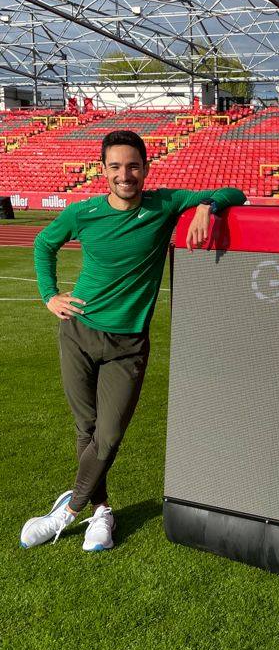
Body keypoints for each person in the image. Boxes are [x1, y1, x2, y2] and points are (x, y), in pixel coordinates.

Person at [20, 129, 246, 552]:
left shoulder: (164, 204)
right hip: (79, 333)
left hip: (128, 345)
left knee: (108, 435)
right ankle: (101, 512)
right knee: (85, 429)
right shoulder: (82, 213)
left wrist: (207, 205)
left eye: (133, 166)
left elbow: (237, 192)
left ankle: (66, 512)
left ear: (145, 168)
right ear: (103, 170)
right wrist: (49, 295)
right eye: (116, 167)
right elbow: (43, 243)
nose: (125, 175)